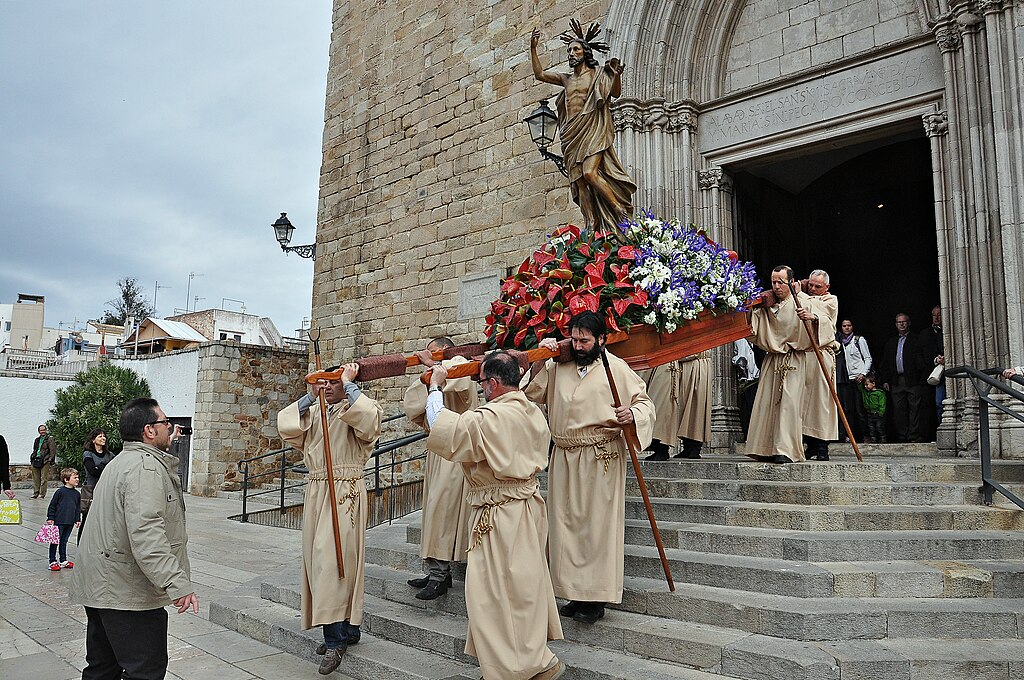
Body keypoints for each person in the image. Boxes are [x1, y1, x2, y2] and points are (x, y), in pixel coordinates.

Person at [425, 351, 565, 680]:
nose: (482, 389)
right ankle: (527, 662)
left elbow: (442, 426)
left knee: (491, 596)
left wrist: (435, 387)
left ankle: (516, 668)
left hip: (498, 515)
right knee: (523, 591)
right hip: (527, 508)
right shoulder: (532, 411)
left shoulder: (489, 418)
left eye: (482, 383)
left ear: (493, 383)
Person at [528, 311, 655, 624]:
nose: (578, 346)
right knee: (564, 526)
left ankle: (596, 598)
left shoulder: (616, 367)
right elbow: (531, 393)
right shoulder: (556, 366)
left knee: (596, 528)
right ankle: (574, 592)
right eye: (574, 339)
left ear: (601, 339)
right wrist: (539, 359)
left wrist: (632, 415)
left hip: (601, 457)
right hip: (564, 455)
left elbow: (644, 404)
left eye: (584, 340)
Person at [72, 397, 199, 680]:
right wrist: (176, 583)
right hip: (126, 593)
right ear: (149, 430)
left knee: (102, 669)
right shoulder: (145, 468)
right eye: (165, 422)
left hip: (103, 586)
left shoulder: (121, 461)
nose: (169, 427)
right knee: (145, 671)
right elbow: (146, 533)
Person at [278, 363, 382, 675]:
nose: (328, 387)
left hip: (344, 492)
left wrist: (349, 383)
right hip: (318, 491)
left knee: (334, 562)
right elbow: (286, 425)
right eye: (325, 382)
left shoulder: (358, 408)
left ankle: (335, 639)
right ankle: (348, 630)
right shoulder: (317, 412)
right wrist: (311, 397)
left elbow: (370, 423)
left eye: (333, 382)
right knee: (321, 562)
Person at [530, 23, 636, 233]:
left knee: (589, 173)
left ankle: (618, 208)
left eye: (575, 49)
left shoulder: (598, 74)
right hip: (570, 134)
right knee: (579, 182)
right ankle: (591, 223)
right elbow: (540, 74)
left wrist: (616, 75)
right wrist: (533, 48)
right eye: (569, 50)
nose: (571, 53)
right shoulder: (566, 79)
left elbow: (615, 93)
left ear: (585, 52)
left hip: (592, 129)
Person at [402, 337, 478, 600]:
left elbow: (459, 382)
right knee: (433, 514)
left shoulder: (459, 363)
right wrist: (430, 373)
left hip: (454, 452)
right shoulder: (437, 372)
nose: (428, 355)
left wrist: (433, 367)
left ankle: (439, 575)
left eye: (433, 351)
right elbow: (414, 404)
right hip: (438, 453)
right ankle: (437, 572)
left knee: (443, 512)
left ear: (445, 350)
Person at [745, 266, 834, 464]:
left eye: (781, 282)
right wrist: (750, 308)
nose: (776, 286)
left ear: (791, 283)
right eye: (773, 282)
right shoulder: (768, 305)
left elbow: (828, 323)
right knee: (768, 404)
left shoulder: (805, 302)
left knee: (789, 404)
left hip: (794, 359)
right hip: (773, 359)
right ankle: (765, 448)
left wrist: (813, 318)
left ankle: (785, 449)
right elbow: (754, 327)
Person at [800, 269, 839, 461]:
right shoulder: (804, 298)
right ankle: (810, 445)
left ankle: (823, 447)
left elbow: (823, 314)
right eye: (811, 285)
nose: (813, 289)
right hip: (806, 357)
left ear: (827, 287)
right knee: (804, 403)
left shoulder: (830, 300)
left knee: (821, 403)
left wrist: (799, 292)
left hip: (822, 355)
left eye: (818, 286)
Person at [878, 313, 929, 442]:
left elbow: (922, 360)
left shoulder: (916, 339)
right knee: (899, 410)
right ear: (896, 325)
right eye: (899, 322)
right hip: (897, 380)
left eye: (904, 322)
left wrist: (921, 377)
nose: (901, 324)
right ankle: (902, 436)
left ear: (909, 323)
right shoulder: (891, 342)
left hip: (913, 380)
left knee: (914, 409)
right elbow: (885, 362)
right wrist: (885, 380)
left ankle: (913, 435)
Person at [838, 319, 872, 438]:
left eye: (849, 325)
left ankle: (866, 435)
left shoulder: (859, 340)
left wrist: (863, 374)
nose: (847, 328)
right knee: (848, 409)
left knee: (860, 409)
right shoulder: (840, 342)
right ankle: (850, 436)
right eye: (844, 326)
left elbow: (868, 358)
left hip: (859, 380)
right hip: (847, 380)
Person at [80, 428, 114, 543]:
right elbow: (92, 471)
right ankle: (81, 544)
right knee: (86, 519)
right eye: (100, 436)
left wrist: (99, 467)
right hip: (91, 490)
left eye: (104, 436)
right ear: (93, 440)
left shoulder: (110, 455)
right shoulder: (88, 454)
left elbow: (115, 470)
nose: (103, 438)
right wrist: (105, 466)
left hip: (105, 489)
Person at [641, 361, 680, 460]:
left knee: (662, 409)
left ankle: (662, 448)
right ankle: (659, 448)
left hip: (664, 367)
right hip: (661, 367)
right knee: (658, 408)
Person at [46, 467, 81, 571]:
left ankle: (63, 560)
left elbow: (77, 508)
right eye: (75, 477)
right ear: (66, 479)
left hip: (69, 521)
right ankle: (52, 561)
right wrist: (50, 517)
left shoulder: (77, 494)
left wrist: (77, 519)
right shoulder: (60, 492)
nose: (77, 479)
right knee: (55, 541)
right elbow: (52, 505)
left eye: (77, 477)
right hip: (59, 521)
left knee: (64, 541)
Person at [920, 305, 945, 436]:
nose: (936, 317)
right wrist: (936, 359)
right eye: (934, 315)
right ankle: (940, 432)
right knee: (937, 403)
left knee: (942, 403)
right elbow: (922, 354)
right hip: (932, 374)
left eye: (939, 314)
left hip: (950, 373)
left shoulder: (948, 332)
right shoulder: (925, 334)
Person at [732, 339, 760, 438]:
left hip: (759, 376)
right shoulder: (739, 340)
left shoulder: (759, 337)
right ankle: (750, 434)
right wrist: (739, 360)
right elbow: (735, 355)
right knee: (749, 407)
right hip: (748, 379)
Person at [30, 424, 58, 499]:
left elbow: (53, 450)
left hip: (45, 460)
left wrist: (50, 459)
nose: (42, 431)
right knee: (36, 478)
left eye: (44, 430)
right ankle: (36, 493)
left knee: (44, 478)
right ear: (39, 431)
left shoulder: (49, 439)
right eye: (41, 430)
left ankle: (42, 494)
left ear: (46, 430)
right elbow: (35, 449)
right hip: (36, 459)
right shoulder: (37, 440)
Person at [859, 373, 887, 443]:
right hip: (870, 413)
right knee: (871, 427)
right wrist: (860, 381)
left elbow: (882, 403)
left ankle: (882, 437)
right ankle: (873, 438)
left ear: (873, 384)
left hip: (878, 413)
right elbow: (860, 388)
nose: (865, 386)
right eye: (864, 385)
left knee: (879, 426)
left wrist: (881, 411)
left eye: (867, 384)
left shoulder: (879, 393)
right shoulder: (866, 393)